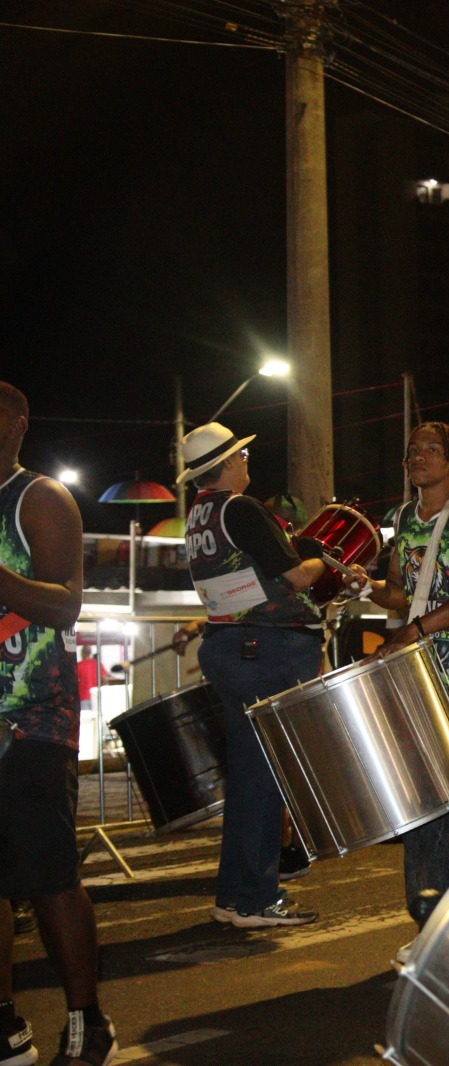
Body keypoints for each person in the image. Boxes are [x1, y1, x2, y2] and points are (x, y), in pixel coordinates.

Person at [350, 421, 449, 929]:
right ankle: (432, 927)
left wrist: (414, 630)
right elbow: (402, 593)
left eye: (432, 449)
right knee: (423, 811)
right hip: (416, 682)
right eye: (412, 449)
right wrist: (364, 585)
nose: (418, 456)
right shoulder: (403, 518)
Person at [0, 381, 118, 1066]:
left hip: (32, 717)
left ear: (17, 422)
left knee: (48, 876)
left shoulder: (38, 498)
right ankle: (6, 1025)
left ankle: (87, 1019)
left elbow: (65, 603)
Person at [177, 421, 324, 931]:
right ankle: (257, 899)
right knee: (265, 777)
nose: (246, 461)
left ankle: (235, 895)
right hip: (265, 648)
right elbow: (295, 576)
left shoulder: (199, 515)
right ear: (226, 464)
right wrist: (324, 562)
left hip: (229, 645)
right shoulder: (240, 508)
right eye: (241, 456)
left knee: (249, 776)